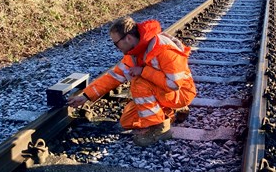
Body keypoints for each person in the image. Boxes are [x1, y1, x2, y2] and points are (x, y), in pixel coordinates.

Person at [68, 16, 196, 146]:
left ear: (128, 38)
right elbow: (114, 76)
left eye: (116, 43)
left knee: (139, 83)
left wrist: (143, 71)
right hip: (163, 92)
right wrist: (86, 95)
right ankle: (170, 111)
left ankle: (158, 128)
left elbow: (174, 84)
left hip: (181, 93)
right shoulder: (135, 52)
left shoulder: (164, 49)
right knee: (128, 122)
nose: (116, 47)